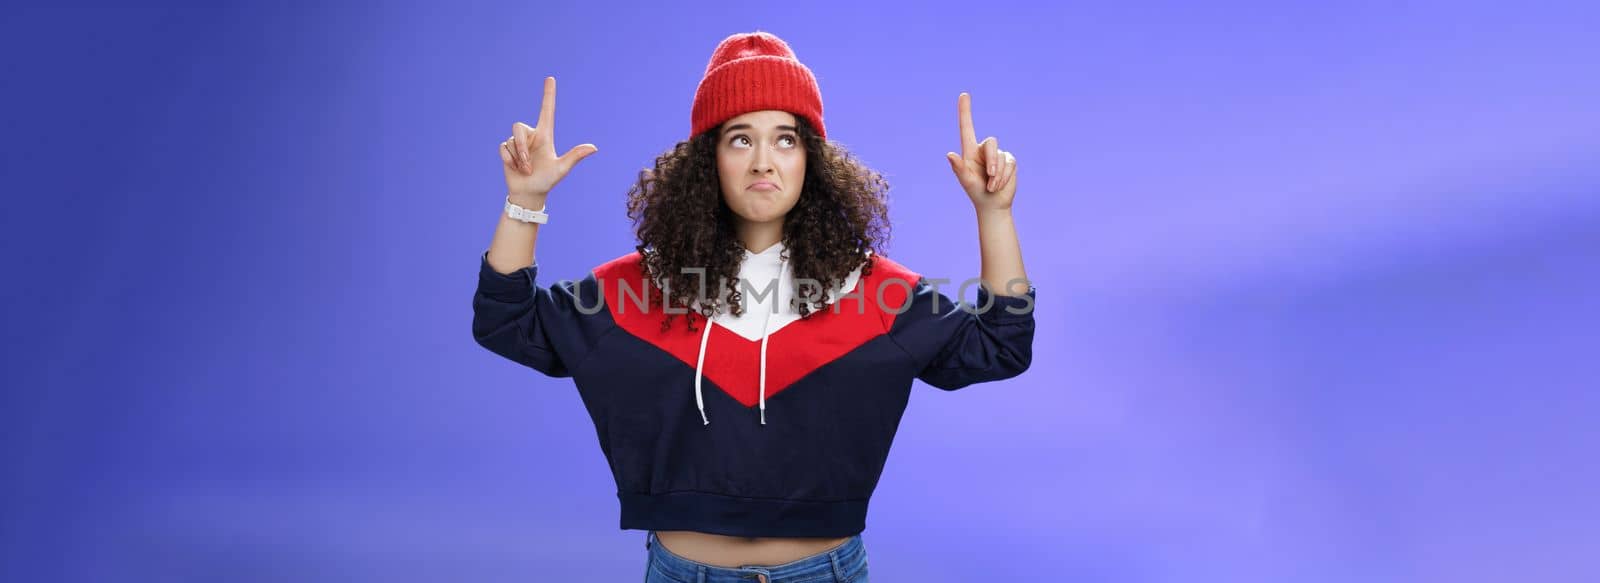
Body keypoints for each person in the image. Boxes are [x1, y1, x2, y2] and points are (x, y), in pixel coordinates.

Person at [473, 31, 1034, 582]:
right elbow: (508, 321)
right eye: (740, 138)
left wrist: (994, 214)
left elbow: (999, 346)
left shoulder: (877, 294)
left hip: (827, 574)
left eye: (785, 139)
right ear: (707, 159)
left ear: (811, 159)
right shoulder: (637, 290)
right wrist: (526, 200)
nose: (764, 161)